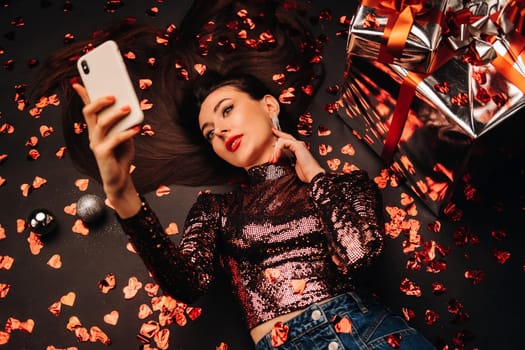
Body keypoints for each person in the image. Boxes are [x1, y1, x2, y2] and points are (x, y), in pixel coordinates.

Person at [38, 1, 436, 348]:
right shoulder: (218, 209)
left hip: (370, 336)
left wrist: (311, 170)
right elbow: (189, 285)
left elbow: (359, 253)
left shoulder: (347, 186)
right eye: (210, 132)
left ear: (268, 105)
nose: (221, 130)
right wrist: (121, 189)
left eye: (227, 110)